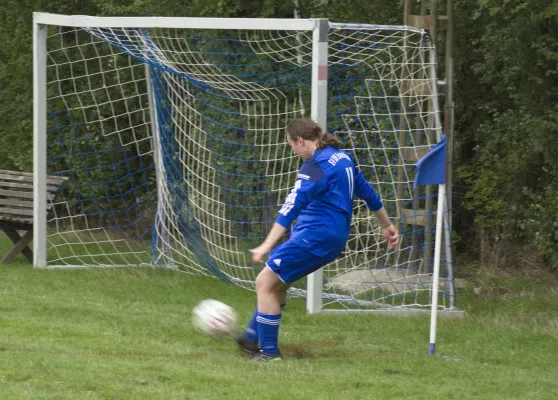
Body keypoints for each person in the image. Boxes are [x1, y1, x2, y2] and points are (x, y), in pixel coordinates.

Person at [236, 118, 400, 361]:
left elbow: (290, 208)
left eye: (291, 144)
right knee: (279, 282)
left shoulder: (315, 167)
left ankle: (269, 354)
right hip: (330, 238)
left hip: (316, 236)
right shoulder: (342, 157)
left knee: (264, 281)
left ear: (300, 140)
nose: (291, 150)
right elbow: (366, 191)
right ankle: (252, 337)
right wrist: (386, 224)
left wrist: (265, 246)